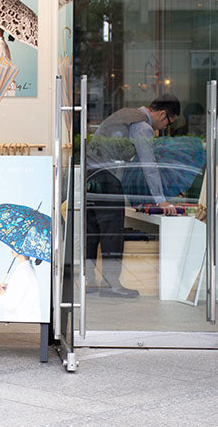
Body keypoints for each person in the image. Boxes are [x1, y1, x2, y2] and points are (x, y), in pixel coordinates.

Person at [85, 94, 181, 297]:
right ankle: (111, 285)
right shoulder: (142, 126)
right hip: (107, 178)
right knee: (112, 233)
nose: (164, 128)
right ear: (162, 114)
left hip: (89, 175)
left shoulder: (124, 114)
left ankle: (89, 282)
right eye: (168, 123)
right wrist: (161, 200)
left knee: (92, 232)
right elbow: (149, 164)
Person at [0, 251, 41, 323]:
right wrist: (9, 288)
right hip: (26, 322)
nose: (12, 249)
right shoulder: (27, 268)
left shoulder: (23, 271)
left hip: (21, 323)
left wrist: (2, 295)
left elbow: (9, 303)